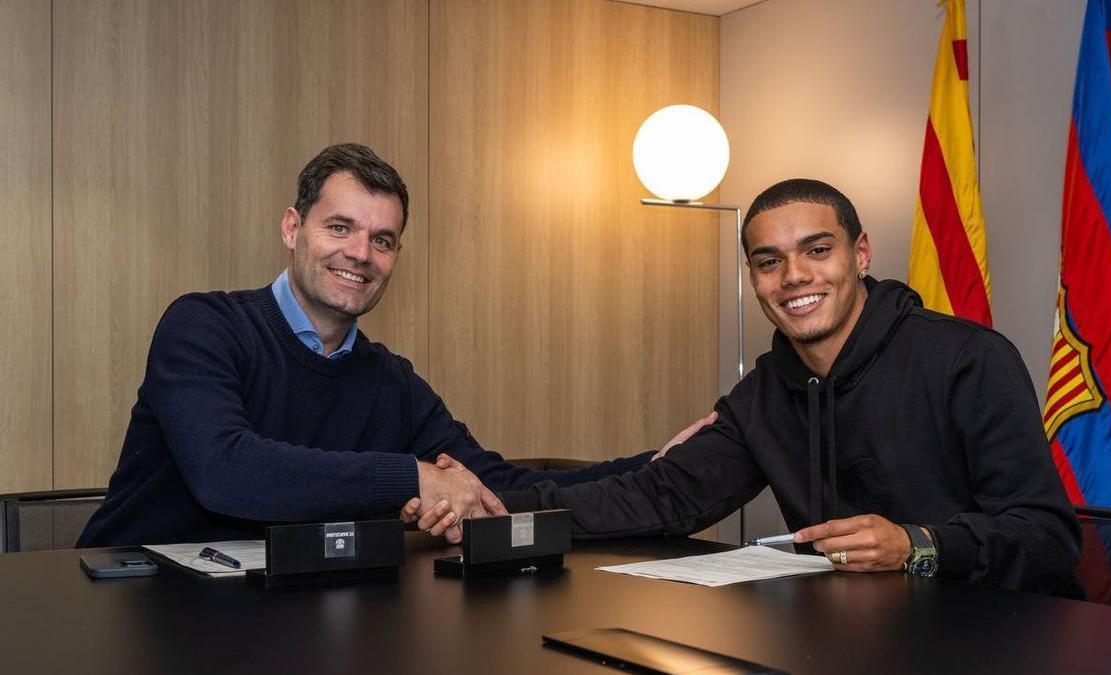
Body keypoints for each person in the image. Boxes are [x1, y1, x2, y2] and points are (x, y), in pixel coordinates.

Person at [78, 143, 684, 548]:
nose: (361, 255)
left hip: (278, 616)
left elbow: (493, 481)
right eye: (340, 228)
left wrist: (653, 464)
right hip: (124, 601)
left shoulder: (390, 380)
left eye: (383, 240)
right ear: (293, 228)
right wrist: (411, 478)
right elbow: (226, 470)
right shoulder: (202, 326)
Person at [498, 179, 1081, 593]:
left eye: (817, 251)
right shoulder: (765, 393)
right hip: (847, 643)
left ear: (861, 253)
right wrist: (490, 508)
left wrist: (918, 544)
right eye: (768, 261)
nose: (794, 276)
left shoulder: (968, 359)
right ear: (753, 277)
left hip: (995, 638)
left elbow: (1047, 538)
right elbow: (658, 498)